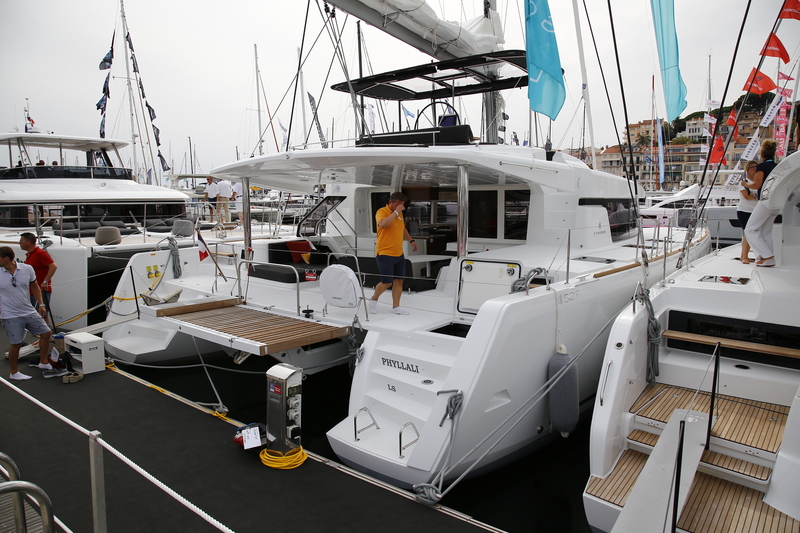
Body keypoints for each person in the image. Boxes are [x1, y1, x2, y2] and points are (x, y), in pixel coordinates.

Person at [0, 246, 60, 380]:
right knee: (16, 343)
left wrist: (41, 304)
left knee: (46, 333)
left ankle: (43, 362)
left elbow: (34, 285)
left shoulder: (27, 269)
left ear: (6, 258)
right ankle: (14, 372)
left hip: (28, 310)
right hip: (10, 315)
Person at [368, 192, 418, 315]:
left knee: (399, 280)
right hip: (385, 253)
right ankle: (373, 300)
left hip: (398, 253)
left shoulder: (399, 213)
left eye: (402, 205)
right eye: (398, 205)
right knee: (387, 281)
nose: (400, 207)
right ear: (391, 202)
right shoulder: (382, 212)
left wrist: (411, 240)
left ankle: (396, 306)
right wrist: (396, 212)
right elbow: (383, 224)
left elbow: (402, 228)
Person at [743, 140, 779, 267]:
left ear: (762, 155)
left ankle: (767, 256)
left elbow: (757, 184)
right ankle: (768, 258)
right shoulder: (777, 166)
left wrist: (745, 184)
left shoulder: (762, 167)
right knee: (766, 231)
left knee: (750, 229)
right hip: (776, 202)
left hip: (766, 200)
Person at [19, 232, 57, 317]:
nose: (20, 244)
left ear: (28, 242)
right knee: (34, 314)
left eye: (21, 241)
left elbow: (53, 266)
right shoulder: (29, 255)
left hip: (41, 290)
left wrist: (45, 281)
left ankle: (47, 329)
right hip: (32, 290)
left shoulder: (40, 253)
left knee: (42, 314)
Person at [736, 161, 759, 264]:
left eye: (756, 167)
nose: (755, 169)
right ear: (748, 169)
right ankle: (744, 256)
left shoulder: (757, 183)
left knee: (749, 233)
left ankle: (743, 256)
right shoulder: (744, 182)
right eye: (753, 167)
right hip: (744, 211)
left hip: (753, 211)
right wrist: (756, 196)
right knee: (748, 233)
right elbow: (747, 196)